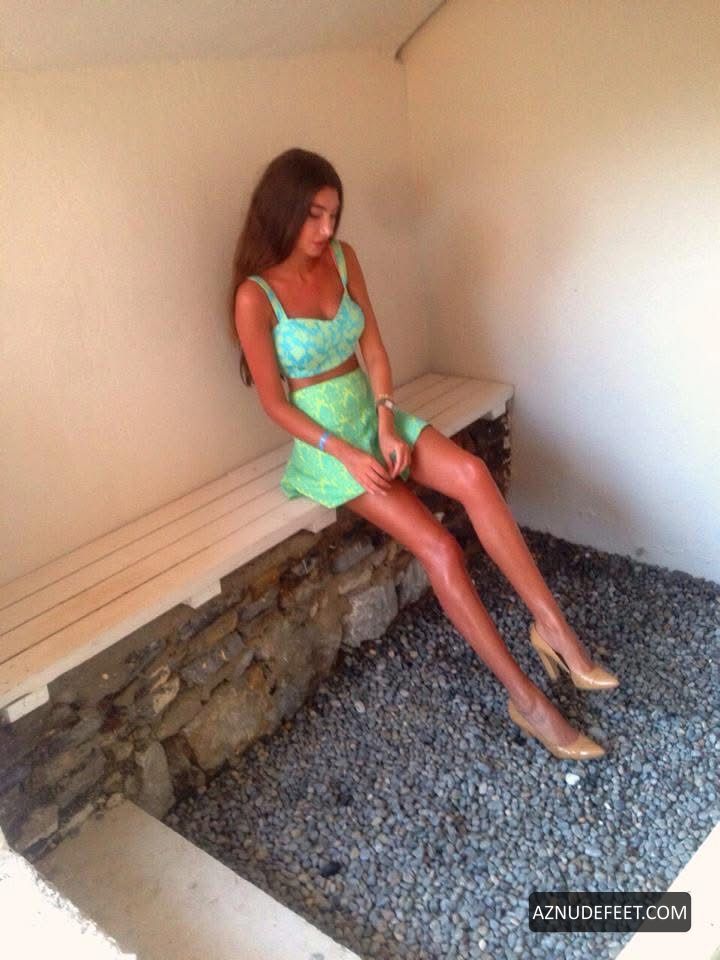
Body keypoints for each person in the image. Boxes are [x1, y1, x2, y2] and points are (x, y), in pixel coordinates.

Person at [231, 148, 619, 762]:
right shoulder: (255, 297)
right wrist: (345, 453)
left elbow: (374, 350)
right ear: (282, 210)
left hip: (373, 413)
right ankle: (527, 701)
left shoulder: (342, 258)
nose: (327, 228)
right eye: (313, 215)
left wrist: (387, 420)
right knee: (439, 548)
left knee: (473, 473)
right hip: (327, 445)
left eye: (333, 214)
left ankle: (553, 629)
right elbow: (274, 404)